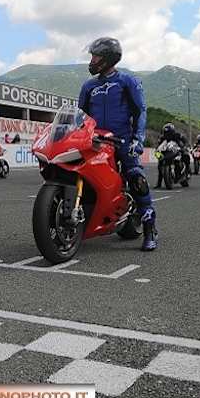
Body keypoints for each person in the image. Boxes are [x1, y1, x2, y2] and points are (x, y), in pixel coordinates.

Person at [78, 37, 157, 251]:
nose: (92, 61)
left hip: (122, 140)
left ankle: (149, 228)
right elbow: (81, 116)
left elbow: (140, 112)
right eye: (92, 56)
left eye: (96, 56)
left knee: (134, 175)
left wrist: (137, 140)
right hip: (94, 140)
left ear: (108, 58)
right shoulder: (88, 86)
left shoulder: (127, 81)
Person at [155, 122, 189, 189]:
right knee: (160, 165)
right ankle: (159, 183)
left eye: (168, 132)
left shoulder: (177, 135)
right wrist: (157, 151)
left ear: (172, 131)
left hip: (177, 150)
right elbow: (158, 145)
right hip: (166, 153)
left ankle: (187, 172)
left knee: (185, 155)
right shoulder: (162, 138)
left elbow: (184, 140)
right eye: (165, 132)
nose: (167, 134)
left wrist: (184, 146)